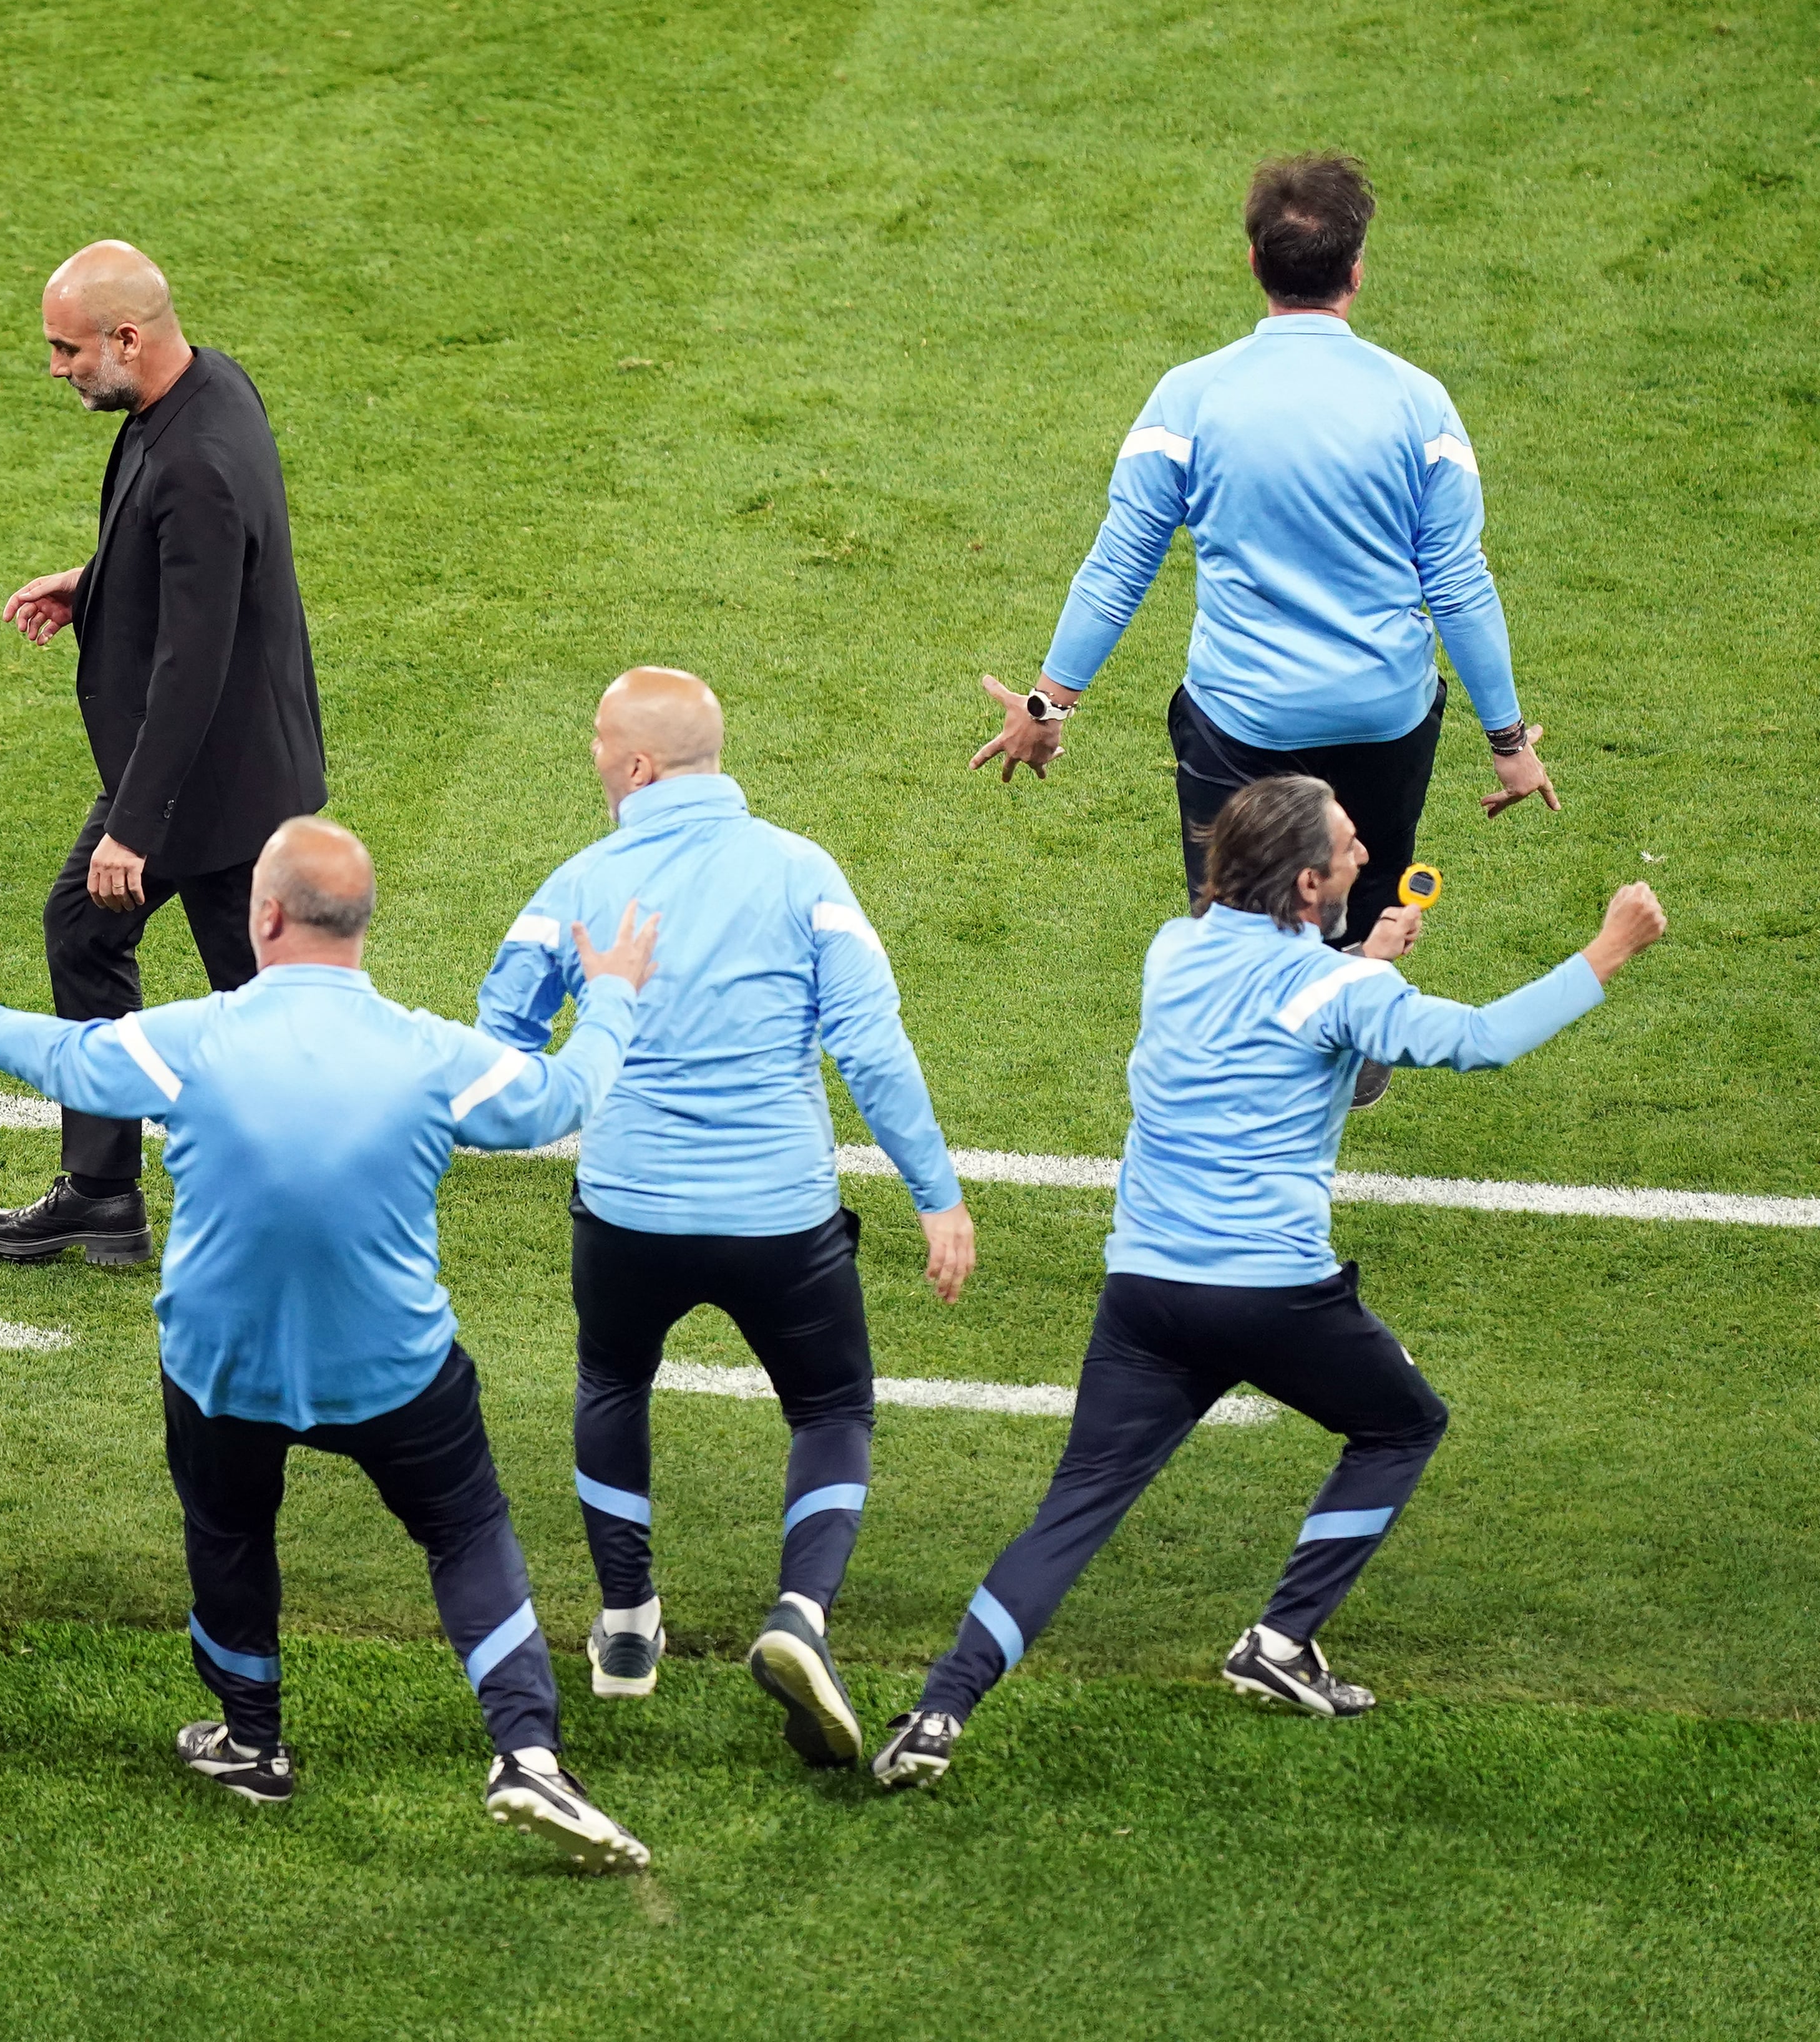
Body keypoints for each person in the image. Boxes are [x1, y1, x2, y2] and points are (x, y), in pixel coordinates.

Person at [0, 817, 663, 1870]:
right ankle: (527, 1751)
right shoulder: (432, 1053)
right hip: (394, 1366)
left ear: (264, 916)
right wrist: (611, 989)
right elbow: (564, 1100)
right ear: (360, 925)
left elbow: (65, 1052)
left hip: (223, 1367)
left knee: (229, 1529)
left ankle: (252, 1741)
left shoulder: (194, 1038)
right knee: (466, 1531)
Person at [870, 775, 1667, 1789]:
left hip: (1146, 1292)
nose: (1364, 856)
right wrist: (1609, 950)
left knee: (1071, 1510)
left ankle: (941, 1708)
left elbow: (1273, 1005)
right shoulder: (1340, 990)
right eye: (1344, 847)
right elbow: (1480, 1041)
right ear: (1304, 885)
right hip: (1273, 1293)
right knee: (1401, 1425)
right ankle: (1281, 1639)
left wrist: (1359, 961)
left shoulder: (1174, 949)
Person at [969, 151, 1559, 1111]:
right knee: (1366, 904)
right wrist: (1506, 742)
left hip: (1241, 724)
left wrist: (1047, 704)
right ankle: (1355, 1026)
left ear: (1254, 262)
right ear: (1358, 269)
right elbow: (1457, 583)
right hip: (1384, 719)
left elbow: (1121, 564)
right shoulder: (1421, 407)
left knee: (1238, 934)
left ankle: (1255, 1074)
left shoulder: (1190, 399)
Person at [475, 667, 974, 1769]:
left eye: (601, 743)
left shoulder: (574, 883)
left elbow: (500, 1034)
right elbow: (872, 1047)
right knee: (833, 1405)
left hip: (628, 1211)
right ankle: (800, 1613)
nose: (595, 760)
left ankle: (625, 1626)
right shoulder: (805, 873)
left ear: (640, 766)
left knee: (613, 1384)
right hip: (780, 1219)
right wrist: (936, 1194)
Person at [0, 239, 328, 1265]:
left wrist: (134, 826)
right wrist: (90, 585)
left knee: (261, 1001)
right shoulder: (204, 387)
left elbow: (195, 658)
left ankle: (301, 1199)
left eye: (67, 349)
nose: (58, 369)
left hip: (214, 792)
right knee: (94, 938)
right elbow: (195, 569)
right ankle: (103, 1191)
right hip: (229, 771)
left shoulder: (198, 461)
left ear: (126, 338)